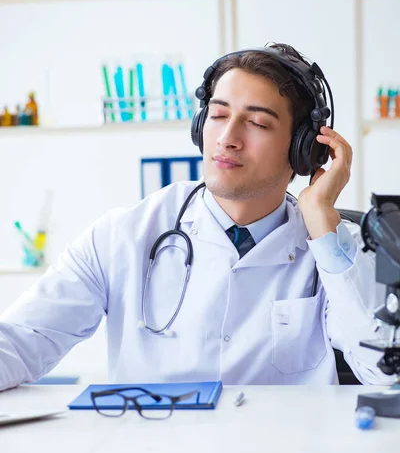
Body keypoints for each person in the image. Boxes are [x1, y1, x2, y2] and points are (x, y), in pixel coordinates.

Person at [0, 43, 391, 391]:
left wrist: (322, 221)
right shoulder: (123, 236)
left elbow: (385, 373)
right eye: (218, 115)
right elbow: (21, 340)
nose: (227, 138)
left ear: (304, 150)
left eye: (257, 123)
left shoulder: (336, 249)